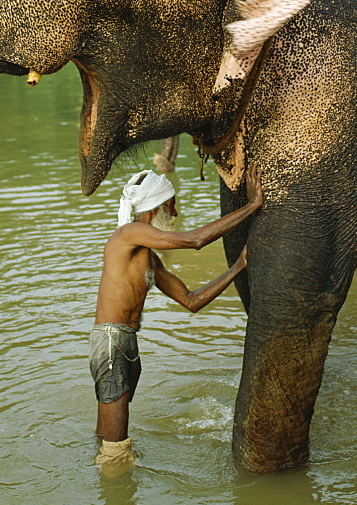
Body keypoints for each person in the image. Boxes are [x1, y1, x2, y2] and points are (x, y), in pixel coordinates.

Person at [90, 163, 263, 466]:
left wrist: (239, 266)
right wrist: (252, 206)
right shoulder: (129, 233)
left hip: (125, 343)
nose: (176, 214)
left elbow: (191, 300)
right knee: (116, 451)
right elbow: (194, 240)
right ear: (155, 207)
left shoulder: (149, 259)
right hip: (110, 342)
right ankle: (115, 498)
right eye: (172, 206)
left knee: (108, 436)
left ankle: (107, 481)